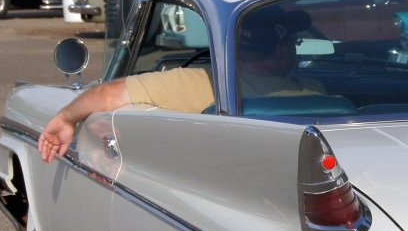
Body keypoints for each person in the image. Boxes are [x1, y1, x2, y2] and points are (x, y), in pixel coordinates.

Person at [38, 12, 324, 164]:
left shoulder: (202, 83)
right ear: (283, 51)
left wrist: (65, 119)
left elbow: (108, 95)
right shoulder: (316, 92)